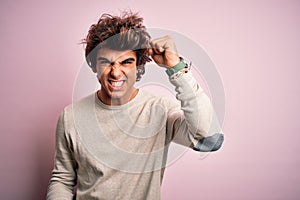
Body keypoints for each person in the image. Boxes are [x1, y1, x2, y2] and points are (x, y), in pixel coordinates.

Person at [47, 11, 224, 200]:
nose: (116, 73)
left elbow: (210, 140)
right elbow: (62, 179)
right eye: (106, 62)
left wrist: (176, 68)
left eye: (126, 62)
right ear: (93, 65)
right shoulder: (70, 117)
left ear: (139, 66)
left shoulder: (160, 110)